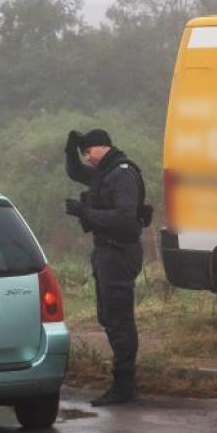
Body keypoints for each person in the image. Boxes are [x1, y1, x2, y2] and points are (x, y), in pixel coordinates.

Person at [64, 129, 147, 406]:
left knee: (119, 319)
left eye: (89, 152)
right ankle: (122, 384)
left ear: (103, 147)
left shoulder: (121, 174)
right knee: (109, 316)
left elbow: (124, 218)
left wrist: (84, 212)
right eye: (84, 153)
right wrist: (70, 150)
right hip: (107, 251)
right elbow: (75, 172)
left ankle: (124, 386)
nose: (86, 159)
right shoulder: (105, 171)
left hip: (119, 251)